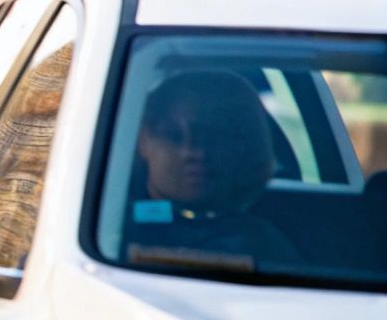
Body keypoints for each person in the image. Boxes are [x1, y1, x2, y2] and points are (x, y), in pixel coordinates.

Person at [127, 69, 299, 267]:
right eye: (174, 135)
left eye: (213, 137)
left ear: (244, 148)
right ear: (142, 143)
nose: (194, 151)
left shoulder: (261, 244)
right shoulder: (110, 226)